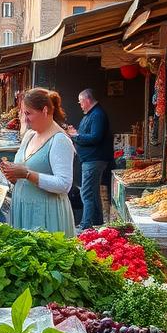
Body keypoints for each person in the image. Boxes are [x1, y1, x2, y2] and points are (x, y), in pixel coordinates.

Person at [0, 88, 76, 235]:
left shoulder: (59, 140)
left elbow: (64, 184)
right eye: (23, 113)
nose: (25, 119)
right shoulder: (29, 136)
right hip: (24, 209)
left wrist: (27, 174)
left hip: (46, 215)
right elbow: (25, 173)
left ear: (45, 110)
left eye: (28, 113)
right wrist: (14, 176)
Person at [68, 88, 113, 229]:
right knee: (92, 192)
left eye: (80, 102)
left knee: (86, 191)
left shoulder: (97, 114)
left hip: (94, 159)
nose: (80, 105)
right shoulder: (91, 114)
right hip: (90, 159)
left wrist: (76, 136)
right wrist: (77, 133)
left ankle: (86, 223)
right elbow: (88, 134)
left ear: (87, 100)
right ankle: (97, 220)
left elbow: (95, 137)